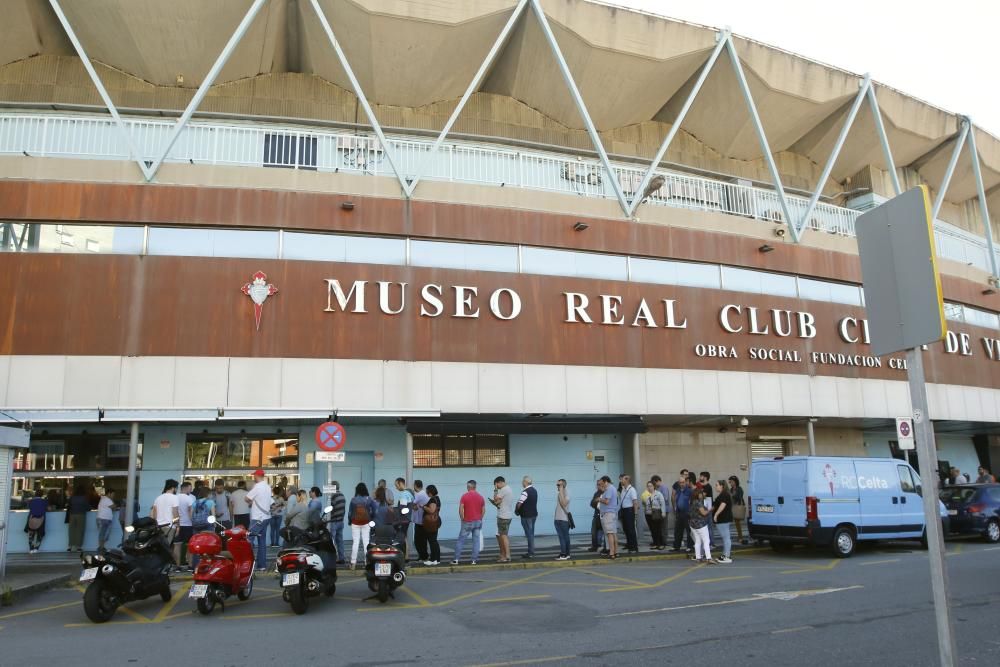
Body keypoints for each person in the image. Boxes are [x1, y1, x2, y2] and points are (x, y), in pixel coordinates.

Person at [452, 480, 485, 565]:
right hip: (478, 522)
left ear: (469, 487)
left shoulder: (464, 496)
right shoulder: (481, 497)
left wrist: (462, 519)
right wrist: (480, 518)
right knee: (476, 541)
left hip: (467, 521)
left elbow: (460, 509)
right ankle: (474, 560)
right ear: (475, 487)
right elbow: (483, 510)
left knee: (461, 540)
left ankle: (456, 559)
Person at [246, 470, 273, 571]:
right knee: (262, 542)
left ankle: (247, 565)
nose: (254, 477)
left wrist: (252, 501)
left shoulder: (257, 487)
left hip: (257, 518)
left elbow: (246, 498)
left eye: (254, 475)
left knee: (248, 540)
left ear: (257, 476)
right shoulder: (267, 486)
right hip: (266, 518)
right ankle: (262, 565)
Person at [348, 483, 377, 570]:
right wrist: (370, 517)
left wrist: (350, 521)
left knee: (355, 542)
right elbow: (375, 510)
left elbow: (350, 512)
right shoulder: (369, 499)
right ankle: (367, 562)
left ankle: (353, 563)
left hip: (355, 522)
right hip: (366, 522)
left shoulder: (353, 500)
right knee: (366, 543)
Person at [190, 486, 216, 569]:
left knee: (197, 546)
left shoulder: (195, 503)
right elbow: (213, 515)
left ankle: (196, 567)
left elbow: (191, 515)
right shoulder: (210, 502)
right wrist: (214, 525)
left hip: (196, 527)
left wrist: (195, 523)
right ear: (208, 494)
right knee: (208, 545)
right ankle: (207, 566)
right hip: (207, 526)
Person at [490, 476, 514, 562]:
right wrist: (495, 502)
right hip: (505, 515)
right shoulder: (508, 489)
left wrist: (495, 490)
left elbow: (495, 498)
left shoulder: (504, 489)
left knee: (503, 536)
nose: (496, 486)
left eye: (496, 484)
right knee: (498, 534)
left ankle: (507, 556)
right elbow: (498, 502)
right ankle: (502, 554)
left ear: (499, 482)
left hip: (503, 517)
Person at [172, 482, 195, 571]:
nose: (191, 490)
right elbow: (190, 511)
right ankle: (190, 566)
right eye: (190, 488)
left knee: (177, 546)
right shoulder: (189, 498)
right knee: (190, 545)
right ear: (185, 488)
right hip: (188, 525)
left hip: (177, 525)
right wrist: (193, 521)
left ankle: (177, 566)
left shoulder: (175, 497)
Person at [689, 488, 714, 563]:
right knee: (706, 540)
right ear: (698, 494)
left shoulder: (692, 502)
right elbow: (704, 513)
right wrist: (710, 509)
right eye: (701, 493)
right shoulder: (698, 503)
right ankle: (709, 558)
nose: (702, 494)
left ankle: (698, 557)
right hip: (700, 524)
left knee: (698, 541)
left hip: (692, 524)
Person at [516, 475, 538, 559]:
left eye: (522, 481)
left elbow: (519, 503)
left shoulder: (525, 492)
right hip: (533, 515)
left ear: (525, 482)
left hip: (526, 516)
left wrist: (517, 510)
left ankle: (530, 552)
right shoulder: (534, 490)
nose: (522, 483)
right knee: (531, 533)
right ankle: (531, 551)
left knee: (529, 534)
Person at [598, 475, 619, 559]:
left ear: (606, 481)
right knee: (613, 533)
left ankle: (611, 553)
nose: (602, 485)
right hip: (611, 513)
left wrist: (599, 499)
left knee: (609, 533)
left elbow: (607, 501)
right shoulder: (610, 488)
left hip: (608, 514)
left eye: (602, 483)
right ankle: (615, 552)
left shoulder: (610, 488)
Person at [65, 484, 90, 552]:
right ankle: (78, 547)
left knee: (71, 531)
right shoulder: (84, 498)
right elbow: (88, 508)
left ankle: (70, 546)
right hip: (81, 515)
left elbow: (68, 506)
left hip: (72, 515)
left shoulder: (72, 498)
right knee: (80, 530)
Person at [713, 480, 734, 563]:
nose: (716, 486)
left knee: (726, 538)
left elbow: (723, 505)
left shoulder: (724, 494)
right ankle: (725, 554)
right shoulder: (723, 494)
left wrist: (716, 515)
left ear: (722, 486)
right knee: (725, 537)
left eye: (717, 485)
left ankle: (727, 556)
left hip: (724, 519)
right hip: (722, 519)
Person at [672, 476, 694, 552]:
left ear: (686, 482)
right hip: (679, 513)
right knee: (678, 530)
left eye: (683, 482)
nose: (682, 484)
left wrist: (691, 512)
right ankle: (676, 546)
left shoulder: (689, 491)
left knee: (689, 531)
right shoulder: (677, 491)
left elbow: (692, 502)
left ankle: (690, 546)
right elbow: (676, 500)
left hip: (687, 513)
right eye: (680, 482)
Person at [422, 484, 442, 565]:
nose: (426, 493)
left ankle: (433, 559)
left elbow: (432, 510)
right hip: (435, 521)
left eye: (427, 491)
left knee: (432, 541)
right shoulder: (437, 498)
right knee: (434, 541)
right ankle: (437, 559)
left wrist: (424, 507)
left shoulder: (433, 500)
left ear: (430, 492)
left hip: (431, 523)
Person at [619, 475, 639, 553]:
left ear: (627, 480)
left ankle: (634, 547)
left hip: (629, 511)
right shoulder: (623, 489)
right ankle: (629, 544)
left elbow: (635, 502)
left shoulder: (632, 490)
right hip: (624, 510)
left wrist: (635, 513)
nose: (621, 481)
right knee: (626, 529)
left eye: (622, 479)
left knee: (631, 529)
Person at [327, 481, 346, 564]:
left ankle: (332, 558)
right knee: (340, 541)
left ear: (333, 487)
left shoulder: (333, 496)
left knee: (332, 541)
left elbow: (331, 508)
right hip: (341, 521)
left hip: (333, 521)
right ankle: (342, 558)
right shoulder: (342, 495)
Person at [644, 481, 666, 550]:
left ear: (654, 486)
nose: (649, 487)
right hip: (648, 514)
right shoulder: (646, 494)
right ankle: (655, 543)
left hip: (656, 513)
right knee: (652, 530)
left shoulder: (658, 494)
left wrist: (663, 512)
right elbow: (645, 504)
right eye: (648, 486)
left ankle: (661, 544)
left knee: (658, 529)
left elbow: (662, 503)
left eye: (650, 486)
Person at [24, 489, 47, 554]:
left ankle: (31, 549)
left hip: (32, 518)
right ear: (42, 494)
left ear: (35, 494)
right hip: (41, 519)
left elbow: (29, 507)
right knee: (40, 534)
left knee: (31, 534)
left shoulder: (30, 501)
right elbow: (47, 508)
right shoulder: (44, 501)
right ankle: (36, 548)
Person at [412, 480, 430, 563]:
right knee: (423, 540)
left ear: (415, 486)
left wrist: (413, 505)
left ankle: (422, 556)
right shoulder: (424, 493)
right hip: (422, 521)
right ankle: (424, 556)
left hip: (420, 521)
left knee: (418, 540)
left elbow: (412, 503)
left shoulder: (419, 494)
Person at [554, 479, 572, 560]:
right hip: (558, 518)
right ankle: (565, 553)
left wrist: (561, 492)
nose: (557, 486)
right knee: (564, 537)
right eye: (557, 485)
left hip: (563, 519)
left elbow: (564, 504)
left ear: (563, 485)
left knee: (563, 537)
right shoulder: (560, 493)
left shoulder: (567, 493)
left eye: (559, 485)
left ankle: (564, 554)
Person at [587, 481, 606, 554]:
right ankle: (594, 546)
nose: (598, 486)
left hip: (604, 514)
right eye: (597, 485)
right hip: (596, 514)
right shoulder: (596, 493)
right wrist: (597, 503)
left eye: (599, 484)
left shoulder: (606, 492)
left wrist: (599, 501)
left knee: (605, 532)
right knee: (593, 531)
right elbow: (592, 503)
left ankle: (605, 547)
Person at [728, 476, 748, 545]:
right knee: (730, 523)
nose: (731, 483)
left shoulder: (739, 489)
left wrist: (732, 495)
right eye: (730, 482)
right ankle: (732, 537)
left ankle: (740, 537)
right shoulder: (731, 489)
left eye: (732, 482)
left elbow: (739, 497)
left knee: (737, 523)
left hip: (737, 507)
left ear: (735, 482)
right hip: (732, 507)